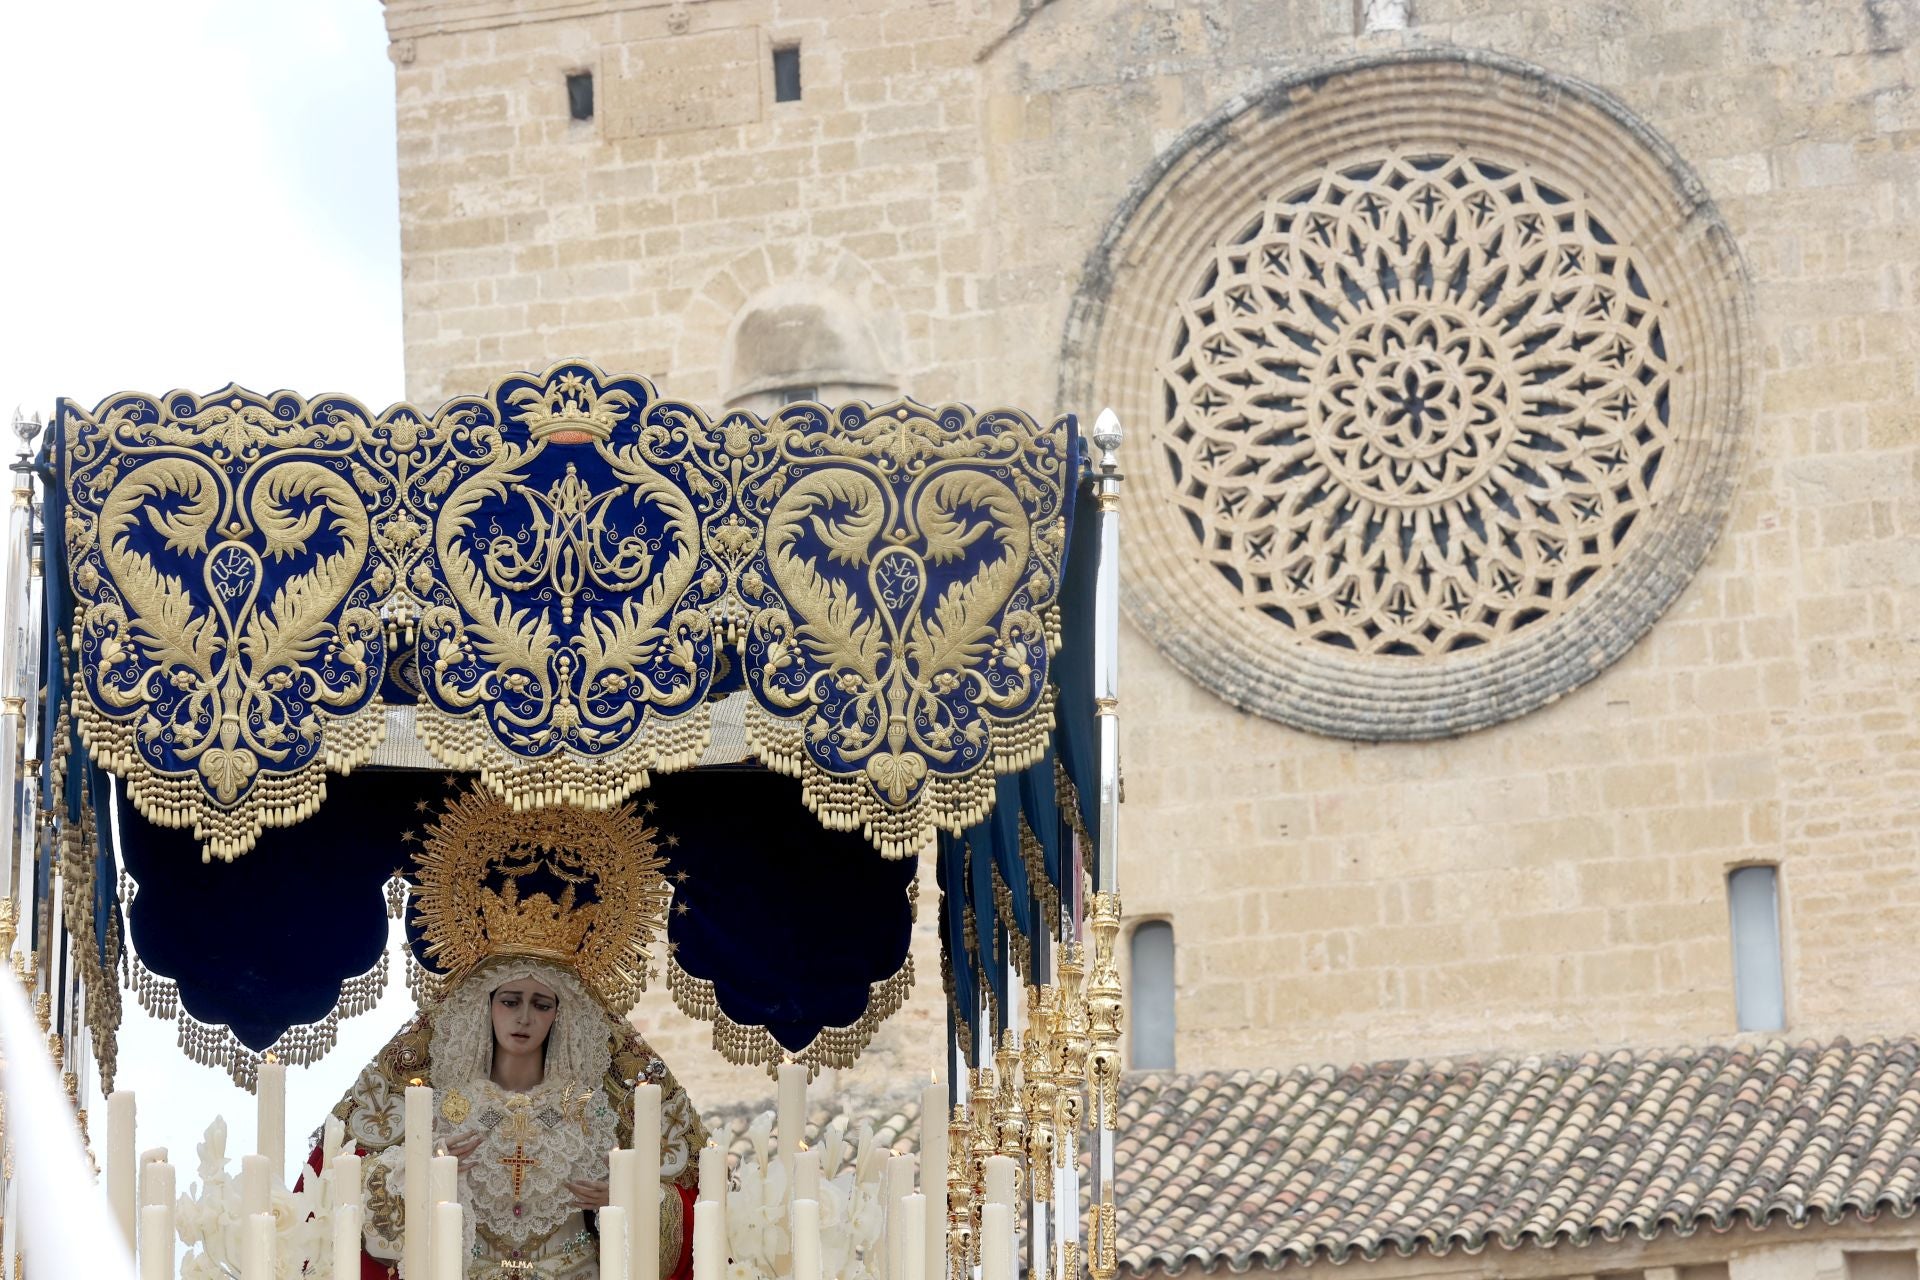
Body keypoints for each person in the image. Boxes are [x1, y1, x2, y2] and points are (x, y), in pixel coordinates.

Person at [303, 789, 705, 1279]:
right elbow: (344, 1190)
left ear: (562, 1014)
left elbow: (696, 1201)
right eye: (510, 1001)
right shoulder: (445, 1102)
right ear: (485, 1008)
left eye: (541, 1004)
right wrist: (420, 1171)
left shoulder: (595, 1106)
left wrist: (630, 1198)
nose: (524, 1018)